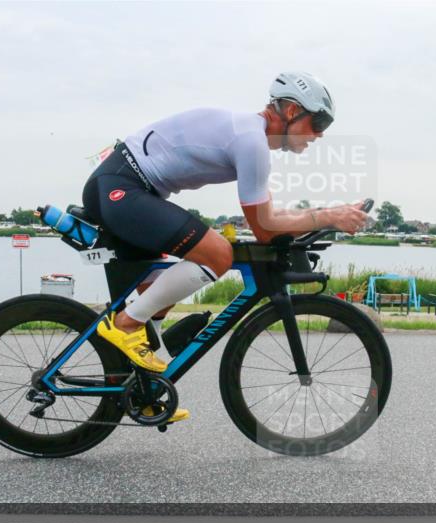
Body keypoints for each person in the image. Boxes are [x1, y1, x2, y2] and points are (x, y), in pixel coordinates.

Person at [81, 71, 368, 422]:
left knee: (153, 293)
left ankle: (145, 392)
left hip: (127, 188)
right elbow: (265, 229)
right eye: (318, 121)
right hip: (124, 187)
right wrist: (327, 216)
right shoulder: (251, 142)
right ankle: (125, 324)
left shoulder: (252, 140)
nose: (321, 134)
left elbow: (269, 217)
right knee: (217, 253)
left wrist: (325, 215)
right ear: (292, 111)